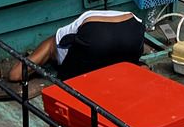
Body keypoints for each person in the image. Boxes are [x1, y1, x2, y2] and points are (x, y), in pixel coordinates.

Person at [8, 10, 144, 82]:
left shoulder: (51, 44)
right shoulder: (71, 33)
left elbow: (15, 75)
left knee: (65, 84)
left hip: (96, 32)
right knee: (128, 71)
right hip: (134, 28)